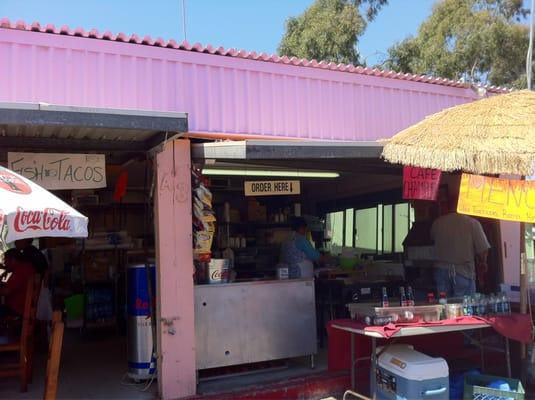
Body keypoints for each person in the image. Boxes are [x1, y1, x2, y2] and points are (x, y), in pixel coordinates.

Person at [431, 197, 490, 297]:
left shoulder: (437, 223)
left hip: (442, 272)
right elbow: (483, 250)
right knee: (464, 307)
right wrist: (483, 262)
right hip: (463, 272)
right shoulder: (472, 223)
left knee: (444, 305)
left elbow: (432, 239)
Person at [0, 248, 35, 318]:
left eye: (5, 260)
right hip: (22, 307)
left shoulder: (19, 272)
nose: (4, 263)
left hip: (16, 310)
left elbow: (6, 291)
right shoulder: (28, 267)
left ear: (13, 260)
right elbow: (15, 286)